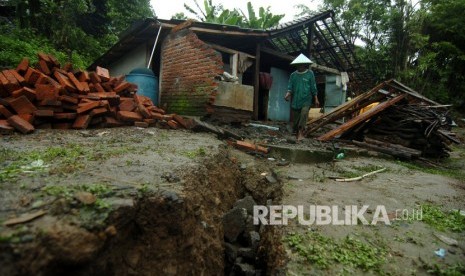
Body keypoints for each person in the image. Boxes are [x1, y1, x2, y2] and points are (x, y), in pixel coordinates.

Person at [284, 53, 319, 141]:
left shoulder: (310, 74)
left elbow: (313, 87)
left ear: (304, 65)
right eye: (298, 65)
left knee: (304, 114)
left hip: (306, 99)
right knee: (296, 119)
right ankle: (295, 132)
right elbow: (290, 87)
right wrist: (287, 95)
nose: (299, 66)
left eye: (301, 65)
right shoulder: (293, 75)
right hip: (296, 100)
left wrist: (316, 98)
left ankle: (300, 133)